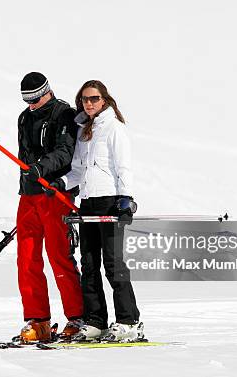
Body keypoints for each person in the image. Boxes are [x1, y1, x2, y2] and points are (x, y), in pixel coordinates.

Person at [49, 80, 143, 342]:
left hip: (110, 202)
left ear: (104, 100)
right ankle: (95, 322)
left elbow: (124, 166)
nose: (88, 103)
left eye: (94, 98)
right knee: (89, 264)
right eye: (84, 99)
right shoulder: (83, 131)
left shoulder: (114, 128)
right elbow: (78, 171)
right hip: (88, 203)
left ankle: (129, 321)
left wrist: (126, 198)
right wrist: (61, 184)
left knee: (113, 264)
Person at [15, 72, 84, 342]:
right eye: (26, 100)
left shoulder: (64, 114)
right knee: (27, 259)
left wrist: (41, 169)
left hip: (56, 194)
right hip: (29, 196)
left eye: (35, 98)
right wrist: (29, 175)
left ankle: (77, 318)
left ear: (48, 91)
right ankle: (39, 321)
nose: (31, 104)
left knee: (59, 256)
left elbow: (65, 152)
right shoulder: (24, 117)